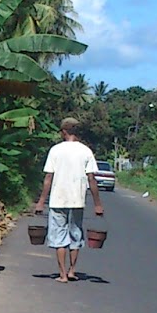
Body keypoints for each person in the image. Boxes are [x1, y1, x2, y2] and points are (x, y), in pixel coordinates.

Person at [32, 117, 104, 283]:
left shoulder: (56, 150)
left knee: (59, 236)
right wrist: (98, 204)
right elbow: (92, 179)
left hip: (58, 200)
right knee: (75, 234)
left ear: (64, 131)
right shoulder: (86, 151)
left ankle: (62, 274)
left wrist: (41, 201)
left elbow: (48, 178)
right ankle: (72, 270)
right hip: (77, 200)